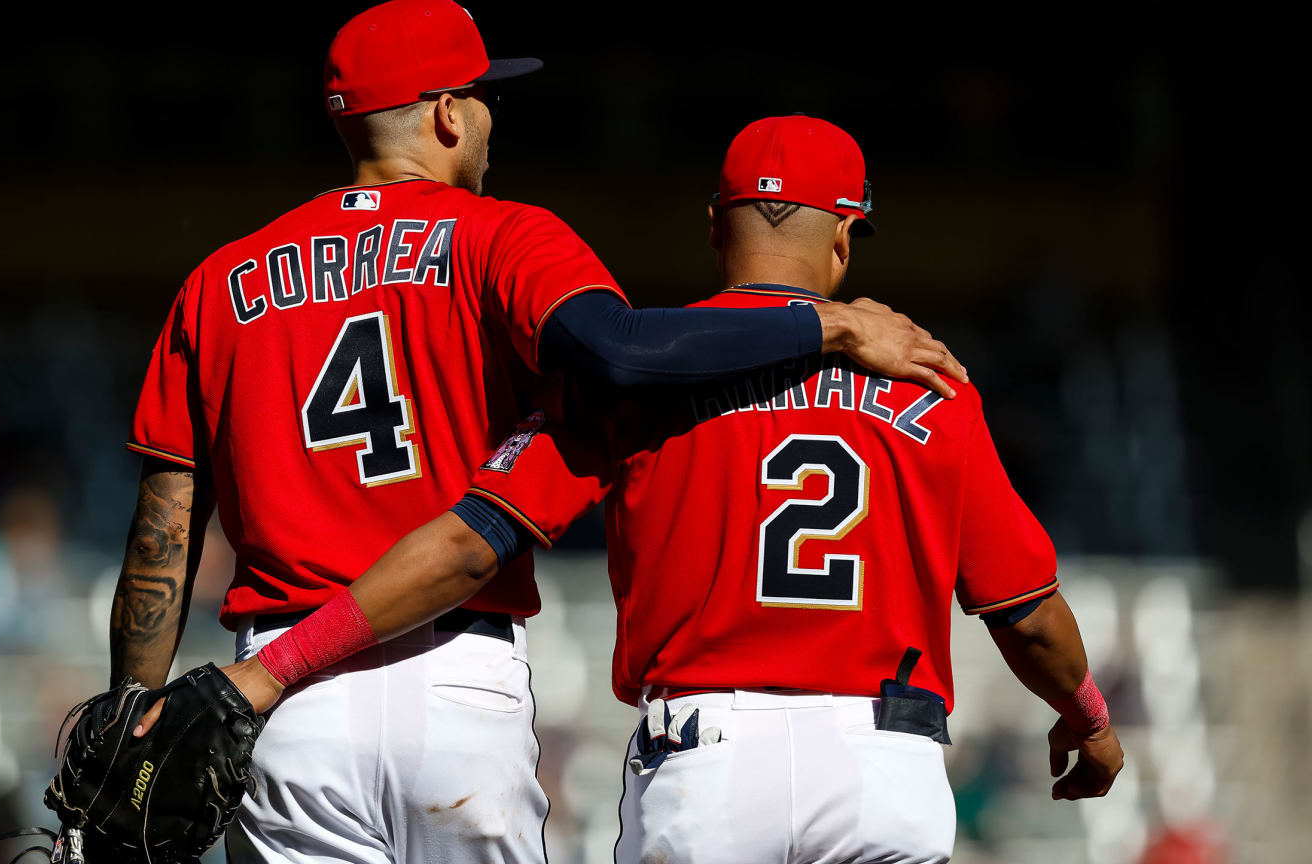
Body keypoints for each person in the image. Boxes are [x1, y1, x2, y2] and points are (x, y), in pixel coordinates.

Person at [112, 1, 964, 860]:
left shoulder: (219, 281)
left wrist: (128, 721)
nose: (489, 121)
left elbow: (165, 525)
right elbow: (621, 353)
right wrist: (833, 328)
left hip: (283, 694)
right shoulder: (505, 235)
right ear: (447, 113)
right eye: (484, 100)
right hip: (455, 677)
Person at [249, 114, 1124, 863]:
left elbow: (471, 542)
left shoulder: (632, 382)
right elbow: (1027, 612)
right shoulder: (928, 383)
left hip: (705, 763)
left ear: (714, 226)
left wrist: (275, 667)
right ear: (846, 236)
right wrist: (1086, 716)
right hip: (880, 763)